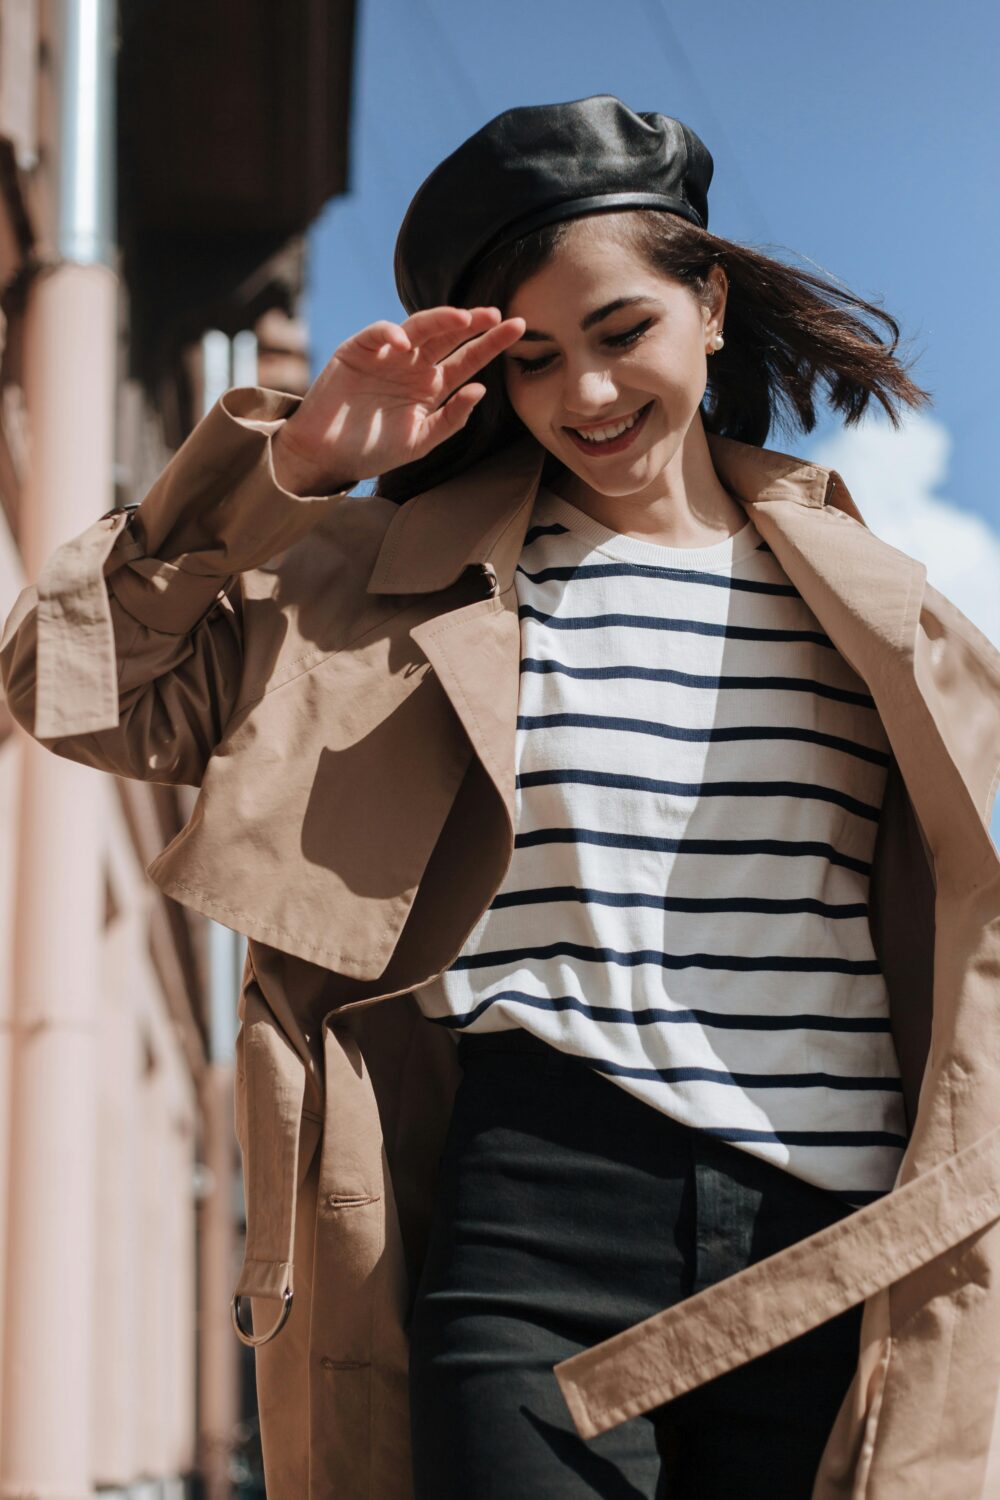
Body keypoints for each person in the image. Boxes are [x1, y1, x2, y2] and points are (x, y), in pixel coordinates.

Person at [3, 96, 1000, 1500]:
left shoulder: (878, 607)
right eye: (533, 359)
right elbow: (70, 684)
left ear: (711, 305)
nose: (585, 394)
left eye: (622, 332)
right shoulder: (387, 589)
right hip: (537, 1225)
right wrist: (291, 471)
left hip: (836, 1247)